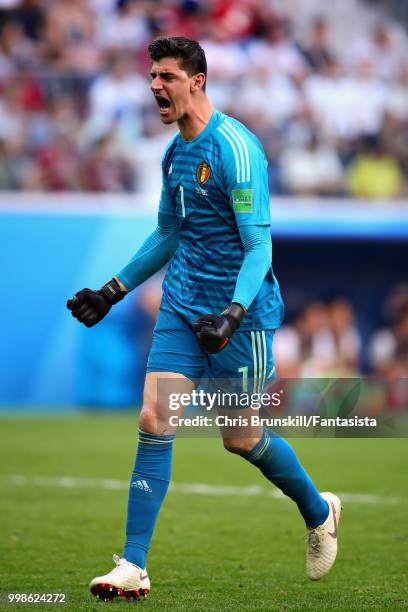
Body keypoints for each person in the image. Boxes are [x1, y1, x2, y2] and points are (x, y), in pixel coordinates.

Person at [67, 36, 341, 602]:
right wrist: (114, 290)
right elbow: (169, 234)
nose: (153, 86)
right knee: (153, 419)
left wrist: (234, 313)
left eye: (165, 76)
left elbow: (258, 247)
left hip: (241, 318)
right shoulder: (174, 154)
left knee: (239, 438)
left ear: (197, 82)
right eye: (152, 76)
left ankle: (319, 511)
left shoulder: (236, 149)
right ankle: (134, 565)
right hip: (183, 305)